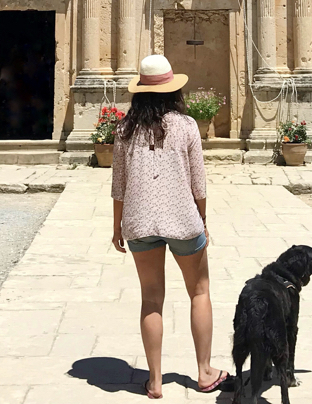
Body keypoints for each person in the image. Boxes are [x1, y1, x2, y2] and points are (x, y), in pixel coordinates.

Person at [111, 54, 230, 399]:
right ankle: (206, 372)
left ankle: (155, 380)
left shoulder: (124, 129)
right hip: (182, 220)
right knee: (200, 291)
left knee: (151, 299)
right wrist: (202, 221)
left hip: (139, 221)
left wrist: (117, 226)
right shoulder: (187, 125)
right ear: (172, 90)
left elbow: (119, 184)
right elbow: (199, 184)